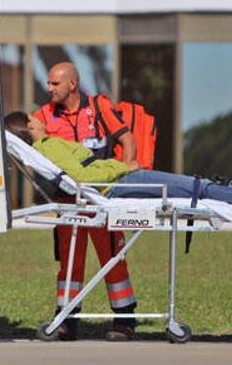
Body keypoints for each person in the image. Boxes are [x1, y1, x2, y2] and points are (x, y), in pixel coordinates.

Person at [31, 61, 139, 341]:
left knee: (114, 258)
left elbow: (128, 140)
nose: (49, 88)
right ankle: (66, 319)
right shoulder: (43, 116)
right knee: (69, 264)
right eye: (49, 83)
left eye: (55, 83)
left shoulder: (100, 108)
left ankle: (125, 320)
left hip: (102, 200)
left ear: (72, 84)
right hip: (68, 203)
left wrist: (126, 176)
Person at [6, 111, 232, 206]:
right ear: (31, 127)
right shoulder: (48, 146)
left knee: (198, 187)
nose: (39, 118)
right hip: (123, 182)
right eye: (34, 118)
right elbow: (81, 178)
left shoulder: (43, 151)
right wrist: (123, 166)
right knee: (197, 188)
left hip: (119, 183)